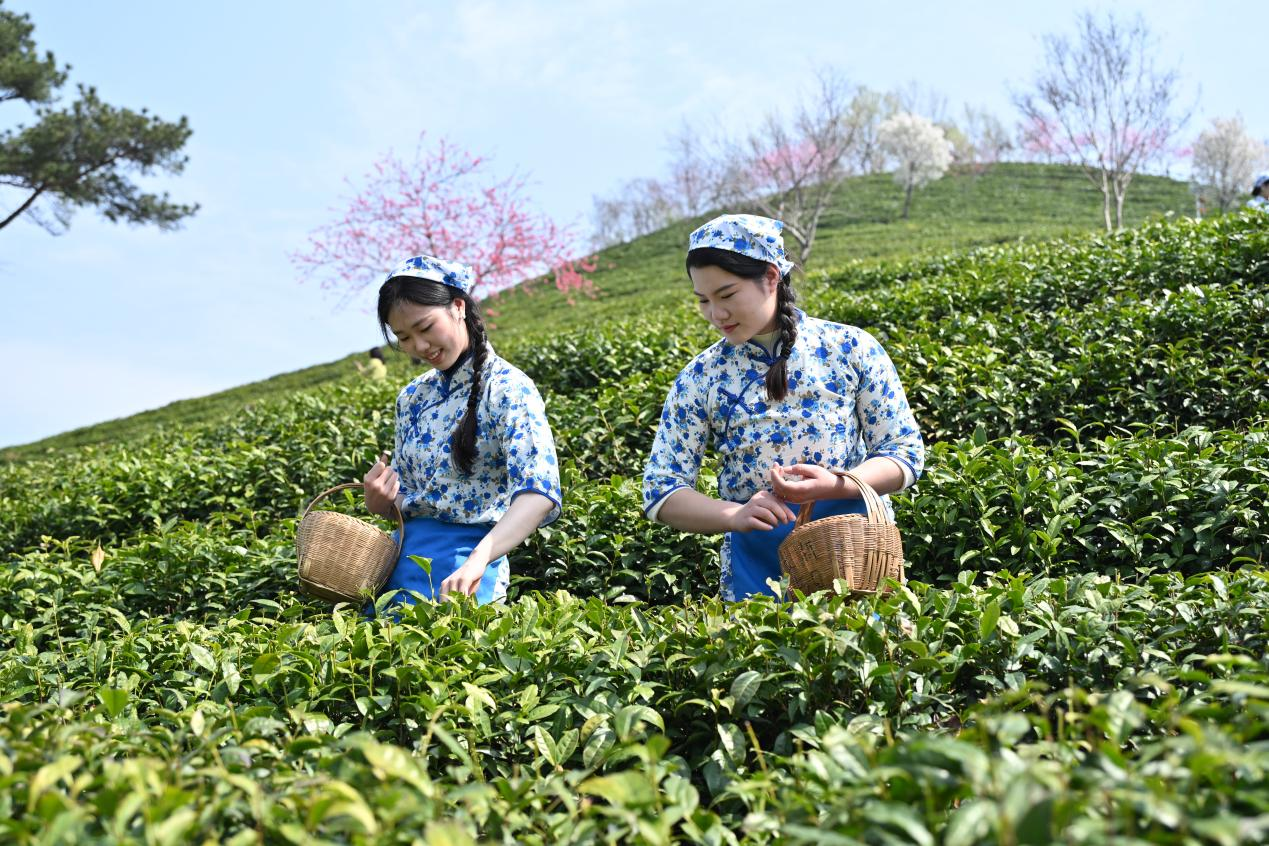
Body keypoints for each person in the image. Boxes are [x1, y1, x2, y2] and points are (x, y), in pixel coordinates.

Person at [641, 214, 925, 601]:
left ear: (771, 277)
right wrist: (735, 515)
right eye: (703, 300)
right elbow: (661, 490)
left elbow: (904, 452)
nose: (716, 313)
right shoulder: (701, 377)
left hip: (855, 552)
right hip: (757, 567)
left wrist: (836, 485)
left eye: (727, 295)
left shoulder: (849, 348)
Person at [363, 254, 562, 610]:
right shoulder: (412, 398)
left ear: (458, 307)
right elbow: (410, 498)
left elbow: (539, 493)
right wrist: (382, 502)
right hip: (397, 566)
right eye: (404, 337)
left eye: (425, 327)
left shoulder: (508, 387)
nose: (419, 346)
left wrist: (479, 558)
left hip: (467, 567)